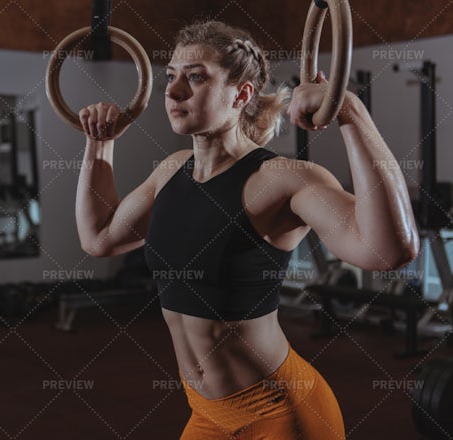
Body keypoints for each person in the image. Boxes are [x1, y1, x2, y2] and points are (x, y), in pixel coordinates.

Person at [75, 20, 419, 439]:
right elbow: (98, 238)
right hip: (206, 414)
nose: (173, 90)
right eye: (171, 76)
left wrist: (348, 111)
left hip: (280, 413)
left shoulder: (280, 179)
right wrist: (99, 143)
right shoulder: (169, 173)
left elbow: (389, 250)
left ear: (241, 95)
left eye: (196, 77)